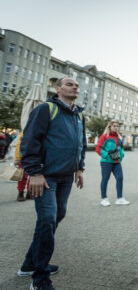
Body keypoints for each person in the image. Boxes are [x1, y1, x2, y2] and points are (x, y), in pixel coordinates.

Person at [18, 77, 86, 290]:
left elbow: (80, 143)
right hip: (45, 177)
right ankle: (40, 278)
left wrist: (80, 167)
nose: (74, 87)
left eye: (76, 85)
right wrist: (34, 173)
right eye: (69, 84)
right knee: (47, 220)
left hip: (66, 177)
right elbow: (30, 140)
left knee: (56, 217)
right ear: (57, 89)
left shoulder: (79, 115)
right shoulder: (46, 109)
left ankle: (29, 264)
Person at [95, 121, 128, 206]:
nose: (116, 127)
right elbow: (98, 149)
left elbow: (121, 149)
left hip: (117, 162)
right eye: (114, 126)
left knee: (120, 178)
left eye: (117, 126)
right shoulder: (104, 137)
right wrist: (107, 155)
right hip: (106, 162)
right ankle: (104, 199)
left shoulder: (119, 138)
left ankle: (120, 199)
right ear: (110, 127)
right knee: (105, 179)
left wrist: (121, 155)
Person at [14, 132, 32, 201]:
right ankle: (20, 193)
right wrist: (17, 158)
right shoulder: (24, 131)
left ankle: (29, 192)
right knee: (22, 176)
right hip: (24, 156)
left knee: (33, 175)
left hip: (35, 156)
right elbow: (18, 145)